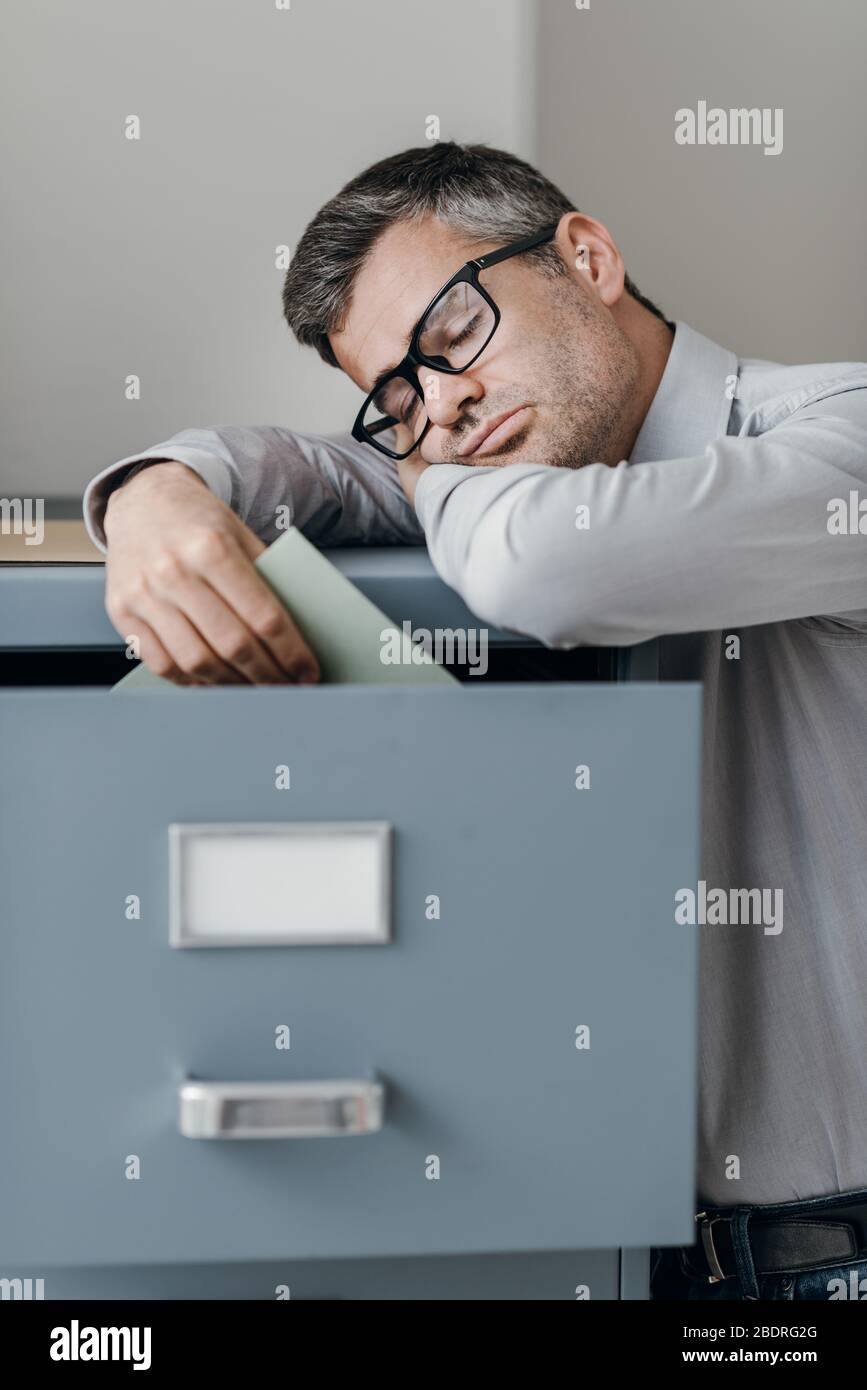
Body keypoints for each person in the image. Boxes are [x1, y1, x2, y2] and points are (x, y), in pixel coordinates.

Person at [84, 142, 867, 1300]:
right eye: (395, 398)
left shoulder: (838, 431)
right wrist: (154, 490)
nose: (441, 403)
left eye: (453, 339)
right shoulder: (487, 452)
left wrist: (418, 467)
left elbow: (544, 567)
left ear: (588, 257)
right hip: (617, 1257)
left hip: (833, 1266)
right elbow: (301, 462)